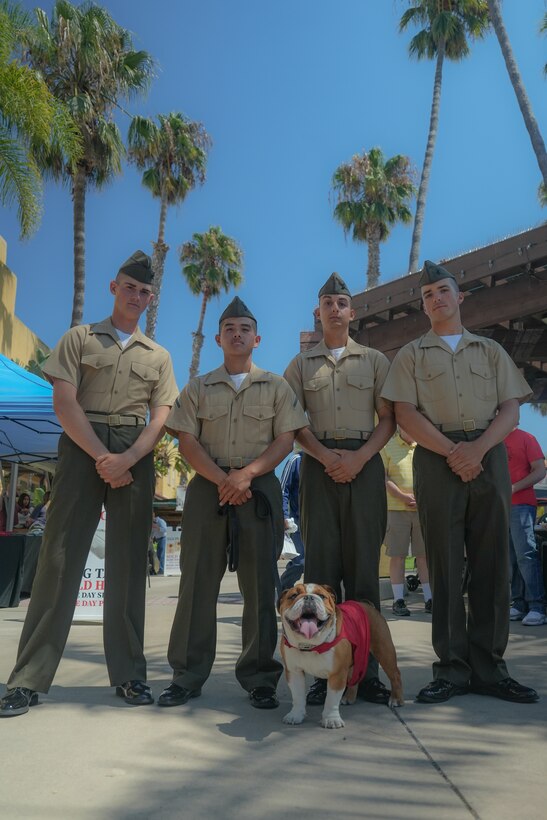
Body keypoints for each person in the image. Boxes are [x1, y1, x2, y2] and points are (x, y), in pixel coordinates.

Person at [0, 250, 179, 718]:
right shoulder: (80, 338)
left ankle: (130, 676)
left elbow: (160, 416)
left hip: (134, 449)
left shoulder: (159, 356)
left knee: (127, 565)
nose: (136, 296)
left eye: (144, 291)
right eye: (129, 287)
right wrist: (102, 456)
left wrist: (130, 458)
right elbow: (63, 401)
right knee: (58, 560)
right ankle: (27, 679)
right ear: (113, 287)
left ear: (151, 297)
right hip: (83, 444)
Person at [382, 259, 538, 704]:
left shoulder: (489, 351)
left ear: (459, 297)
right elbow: (405, 414)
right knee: (445, 566)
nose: (435, 300)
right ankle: (450, 668)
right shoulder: (411, 354)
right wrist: (453, 452)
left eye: (442, 291)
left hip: (486, 453)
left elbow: (511, 408)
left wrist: (478, 449)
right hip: (436, 458)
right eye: (427, 295)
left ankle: (490, 668)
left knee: (492, 563)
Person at [158, 296, 308, 711]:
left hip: (258, 487)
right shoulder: (198, 388)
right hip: (209, 486)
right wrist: (223, 478)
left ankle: (260, 676)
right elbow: (185, 439)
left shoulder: (276, 387)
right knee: (196, 584)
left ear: (256, 338)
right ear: (218, 339)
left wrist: (246, 475)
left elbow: (286, 438)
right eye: (230, 330)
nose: (237, 335)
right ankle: (187, 675)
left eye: (245, 329)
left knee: (260, 586)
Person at [284, 272, 395, 707]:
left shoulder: (374, 360)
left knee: (364, 571)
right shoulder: (300, 366)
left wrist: (359, 458)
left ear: (353, 311)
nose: (335, 308)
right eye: (327, 301)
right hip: (318, 465)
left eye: (342, 302)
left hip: (364, 463)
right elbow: (292, 423)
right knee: (323, 571)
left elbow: (387, 418)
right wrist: (327, 457)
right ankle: (320, 670)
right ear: (318, 311)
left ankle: (364, 674)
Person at [381, 428, 432, 616]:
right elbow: (383, 477)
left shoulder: (425, 446)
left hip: (422, 509)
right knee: (398, 555)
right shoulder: (387, 446)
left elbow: (431, 475)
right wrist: (402, 496)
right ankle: (398, 600)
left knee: (424, 555)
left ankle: (429, 598)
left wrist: (422, 497)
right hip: (395, 509)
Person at [504, 427, 547, 626]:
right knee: (511, 557)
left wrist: (513, 488)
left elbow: (540, 470)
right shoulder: (491, 439)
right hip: (498, 506)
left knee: (525, 554)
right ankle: (519, 604)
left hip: (521, 504)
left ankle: (537, 607)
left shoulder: (527, 437)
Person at [279, 449, 305, 591]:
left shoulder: (326, 461)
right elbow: (283, 490)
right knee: (300, 562)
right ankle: (285, 589)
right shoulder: (296, 460)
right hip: (299, 524)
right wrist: (283, 516)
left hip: (322, 523)